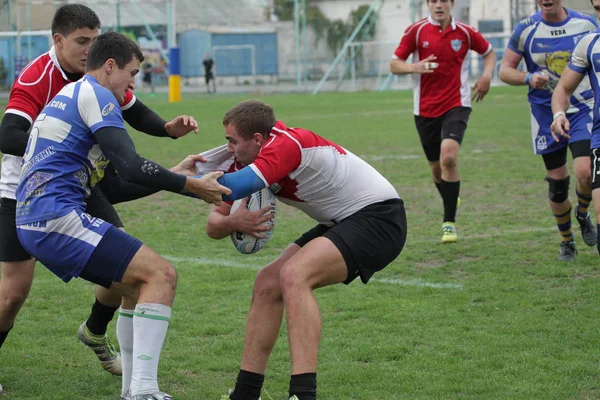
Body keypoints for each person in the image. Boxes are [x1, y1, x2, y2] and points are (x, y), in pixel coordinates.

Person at [15, 31, 230, 399]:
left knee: (134, 285)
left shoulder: (74, 95)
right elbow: (130, 166)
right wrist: (191, 186)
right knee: (161, 275)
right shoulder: (97, 95)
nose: (134, 83)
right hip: (54, 217)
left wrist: (176, 174)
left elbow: (114, 187)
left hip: (39, 218)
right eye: (132, 73)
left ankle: (135, 386)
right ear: (110, 66)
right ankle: (143, 392)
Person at [203, 99, 407, 400]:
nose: (228, 149)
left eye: (232, 142)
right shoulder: (243, 162)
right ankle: (245, 393)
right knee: (267, 282)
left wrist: (177, 179)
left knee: (294, 275)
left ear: (258, 139)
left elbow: (233, 186)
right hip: (341, 221)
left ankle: (302, 394)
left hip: (379, 218)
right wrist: (236, 220)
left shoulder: (288, 144)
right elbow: (212, 226)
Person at [389, 0, 496, 243]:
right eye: (434, 1)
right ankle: (450, 195)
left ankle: (449, 222)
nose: (439, 5)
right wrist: (414, 67)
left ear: (452, 4)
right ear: (428, 4)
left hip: (457, 104)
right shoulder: (415, 31)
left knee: (449, 157)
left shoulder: (466, 33)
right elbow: (394, 64)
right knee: (436, 169)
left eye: (443, 0)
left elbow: (489, 52)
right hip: (425, 109)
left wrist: (487, 75)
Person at [499, 0, 598, 261]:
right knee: (557, 184)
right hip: (544, 112)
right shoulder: (526, 29)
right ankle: (567, 241)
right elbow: (505, 71)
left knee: (585, 172)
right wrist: (528, 78)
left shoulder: (586, 24)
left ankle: (583, 211)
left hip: (583, 107)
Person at [550, 0, 600, 256]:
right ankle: (573, 230)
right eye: (599, 8)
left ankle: (581, 213)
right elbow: (563, 88)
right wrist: (559, 113)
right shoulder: (590, 44)